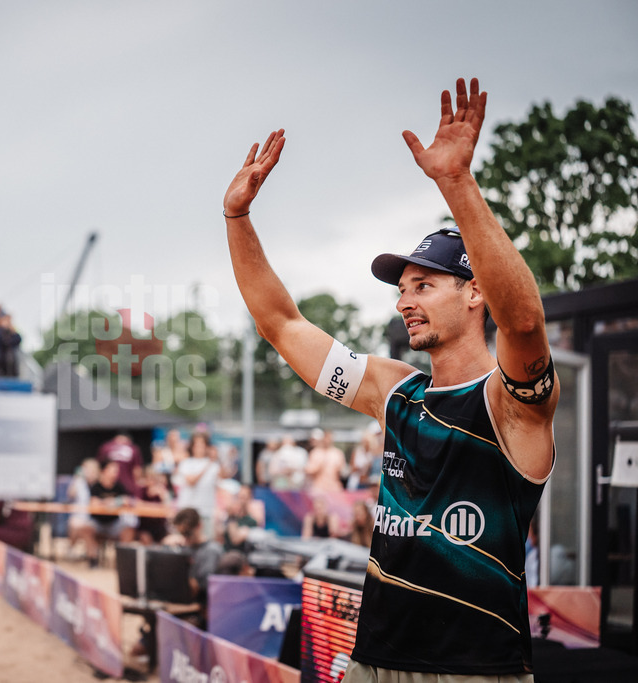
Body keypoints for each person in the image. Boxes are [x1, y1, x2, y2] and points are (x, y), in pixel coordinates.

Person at [224, 78, 557, 680]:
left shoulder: (510, 404)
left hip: (475, 671)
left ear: (475, 291)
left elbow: (527, 322)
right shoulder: (395, 393)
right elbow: (281, 325)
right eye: (401, 290)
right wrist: (237, 216)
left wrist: (455, 181)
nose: (405, 301)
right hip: (372, 664)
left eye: (423, 286)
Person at [304, 428, 347, 494]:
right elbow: (309, 471)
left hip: (334, 488)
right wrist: (318, 467)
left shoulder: (338, 453)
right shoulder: (316, 452)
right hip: (319, 487)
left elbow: (342, 471)